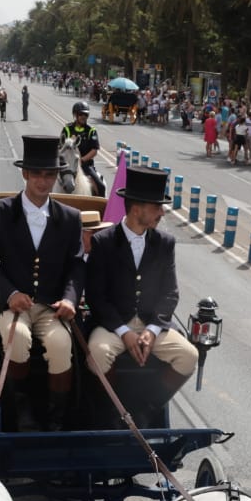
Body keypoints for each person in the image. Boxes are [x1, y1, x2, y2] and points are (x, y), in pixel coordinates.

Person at [0, 136, 86, 430]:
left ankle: (56, 417)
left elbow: (77, 266)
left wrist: (70, 299)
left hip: (50, 307)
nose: (43, 181)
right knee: (18, 339)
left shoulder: (70, 218)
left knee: (62, 345)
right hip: (11, 307)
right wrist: (9, 293)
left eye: (49, 174)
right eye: (37, 173)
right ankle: (18, 409)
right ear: (24, 174)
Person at [85, 167, 198, 417]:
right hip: (114, 325)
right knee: (97, 354)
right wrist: (124, 332)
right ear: (137, 209)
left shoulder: (164, 244)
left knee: (189, 356)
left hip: (150, 325)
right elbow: (96, 296)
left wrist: (152, 330)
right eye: (157, 206)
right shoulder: (103, 242)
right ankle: (114, 411)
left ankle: (149, 406)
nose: (162, 211)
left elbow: (170, 293)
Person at [63, 102, 103, 191]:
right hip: (67, 166)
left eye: (86, 114)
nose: (83, 116)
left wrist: (81, 160)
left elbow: (94, 150)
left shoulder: (91, 130)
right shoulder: (67, 129)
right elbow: (61, 147)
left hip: (86, 165)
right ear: (75, 114)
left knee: (101, 186)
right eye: (81, 114)